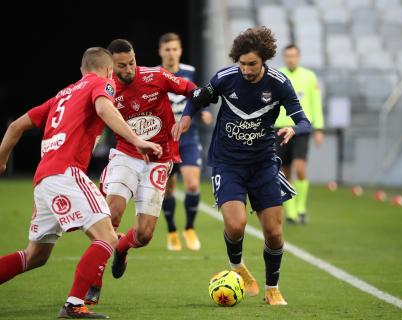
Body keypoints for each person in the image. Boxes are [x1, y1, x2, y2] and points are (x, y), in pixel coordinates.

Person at [0, 47, 162, 319]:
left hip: (43, 180)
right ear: (109, 69)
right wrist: (137, 139)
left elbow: (15, 126)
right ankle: (75, 304)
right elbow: (103, 107)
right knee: (108, 236)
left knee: (36, 256)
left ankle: (78, 299)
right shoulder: (101, 84)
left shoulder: (62, 94)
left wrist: (2, 161)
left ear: (81, 70)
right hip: (67, 173)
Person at [174, 26, 311, 305]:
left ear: (264, 60)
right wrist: (187, 117)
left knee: (273, 232)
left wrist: (294, 130)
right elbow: (198, 98)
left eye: (253, 64)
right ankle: (237, 267)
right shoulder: (225, 78)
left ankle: (273, 288)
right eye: (243, 64)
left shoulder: (279, 83)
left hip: (263, 165)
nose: (247, 70)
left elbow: (304, 120)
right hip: (228, 164)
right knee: (236, 226)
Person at [85, 39, 197, 305]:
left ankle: (122, 249)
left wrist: (188, 116)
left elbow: (194, 90)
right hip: (126, 154)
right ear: (110, 66)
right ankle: (93, 283)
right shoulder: (105, 90)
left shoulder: (156, 76)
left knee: (144, 235)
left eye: (132, 62)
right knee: (111, 215)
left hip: (159, 159)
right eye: (122, 66)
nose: (130, 69)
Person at [158, 32, 213, 251]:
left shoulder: (189, 72)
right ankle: (172, 231)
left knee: (191, 184)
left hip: (188, 138)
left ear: (180, 51)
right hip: (164, 141)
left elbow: (196, 96)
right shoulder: (155, 74)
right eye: (167, 49)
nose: (171, 53)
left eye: (175, 49)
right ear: (160, 51)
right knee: (167, 190)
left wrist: (204, 112)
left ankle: (189, 228)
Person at [274, 44, 324, 225]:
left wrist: (319, 128)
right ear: (284, 57)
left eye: (293, 56)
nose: (290, 59)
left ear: (299, 57)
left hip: (300, 129)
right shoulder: (277, 75)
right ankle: (291, 211)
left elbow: (315, 104)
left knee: (300, 168)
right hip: (279, 128)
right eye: (287, 56)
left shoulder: (310, 77)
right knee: (284, 172)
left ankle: (301, 208)